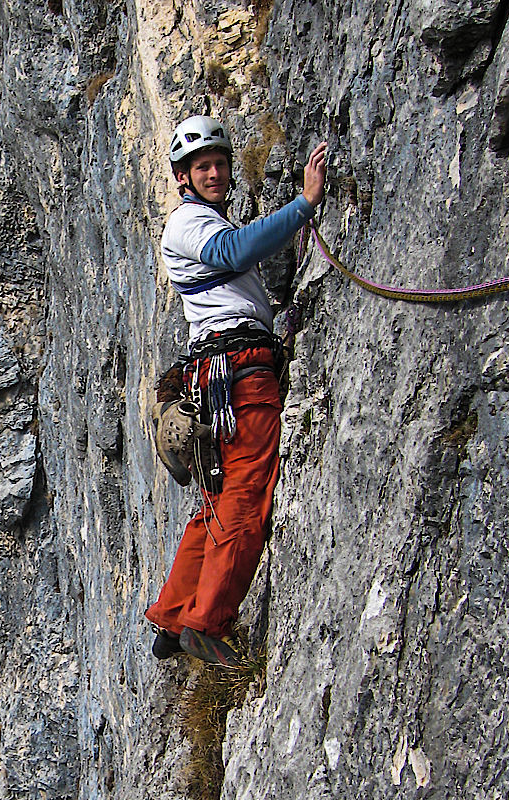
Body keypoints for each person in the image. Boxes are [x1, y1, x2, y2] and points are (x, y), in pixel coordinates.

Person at [146, 115, 327, 667]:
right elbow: (232, 253)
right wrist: (304, 205)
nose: (216, 173)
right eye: (203, 166)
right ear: (183, 177)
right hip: (238, 371)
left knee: (218, 500)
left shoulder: (200, 222)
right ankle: (207, 620)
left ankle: (175, 617)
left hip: (222, 370)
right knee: (246, 492)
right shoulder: (189, 223)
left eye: (221, 163)